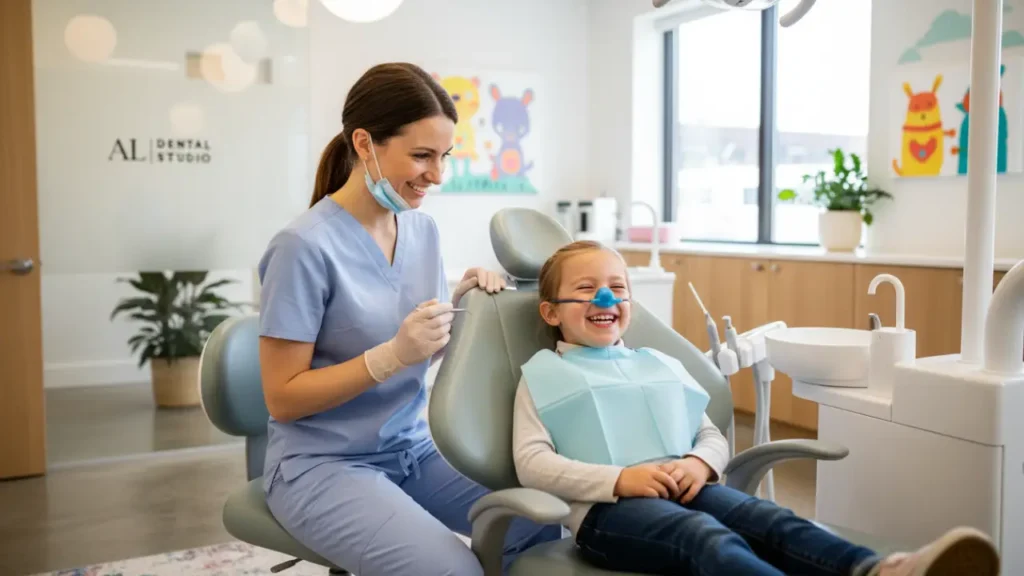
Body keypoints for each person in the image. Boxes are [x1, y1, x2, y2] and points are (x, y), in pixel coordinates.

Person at [512, 240, 1002, 576]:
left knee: (771, 520)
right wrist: (620, 480)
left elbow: (709, 435)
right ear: (551, 311)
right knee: (706, 538)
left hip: (686, 489)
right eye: (585, 288)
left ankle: (877, 569)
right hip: (606, 516)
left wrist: (699, 463)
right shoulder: (544, 375)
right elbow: (531, 463)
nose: (606, 297)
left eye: (618, 287)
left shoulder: (656, 363)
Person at [257, 62, 562, 576]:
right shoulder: (302, 247)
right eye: (421, 156)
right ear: (364, 143)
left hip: (410, 449)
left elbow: (420, 345)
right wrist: (390, 356)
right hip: (322, 465)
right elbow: (283, 398)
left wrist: (460, 312)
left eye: (444, 156)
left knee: (536, 519)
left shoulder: (422, 232)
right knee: (452, 571)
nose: (437, 175)